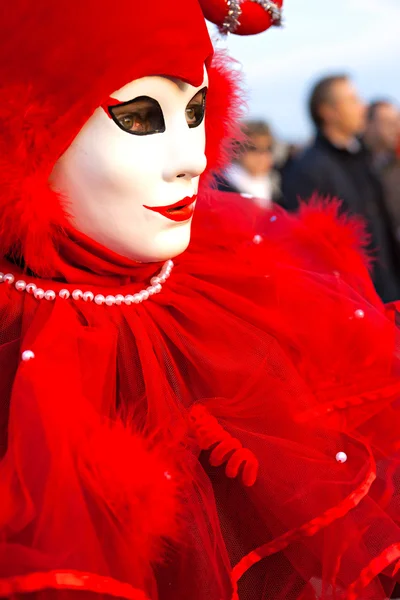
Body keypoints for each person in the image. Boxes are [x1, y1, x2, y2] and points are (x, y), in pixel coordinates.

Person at [1, 2, 400, 600]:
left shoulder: (250, 290)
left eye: (196, 112)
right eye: (138, 118)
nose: (191, 159)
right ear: (28, 129)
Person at [282, 74, 400, 302]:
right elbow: (313, 254)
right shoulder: (308, 170)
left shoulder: (362, 158)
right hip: (357, 302)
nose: (362, 107)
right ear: (328, 111)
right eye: (353, 100)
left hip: (389, 293)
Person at [216, 120, 282, 208]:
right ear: (237, 151)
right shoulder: (221, 189)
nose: (262, 156)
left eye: (268, 149)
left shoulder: (277, 188)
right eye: (253, 149)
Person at [365, 101, 400, 245]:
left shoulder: (394, 164)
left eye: (397, 122)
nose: (396, 129)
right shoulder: (357, 165)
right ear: (368, 124)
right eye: (388, 123)